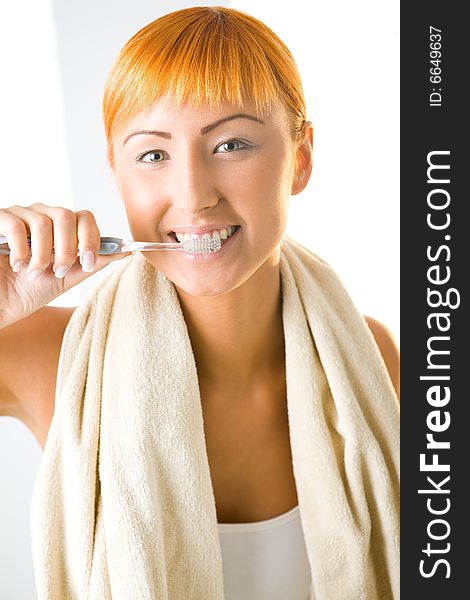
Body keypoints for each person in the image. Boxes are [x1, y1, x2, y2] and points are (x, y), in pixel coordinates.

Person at [0, 6, 399, 599]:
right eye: (153, 155)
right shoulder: (43, 353)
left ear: (302, 157)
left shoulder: (373, 359)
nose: (193, 195)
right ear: (116, 170)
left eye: (231, 143)